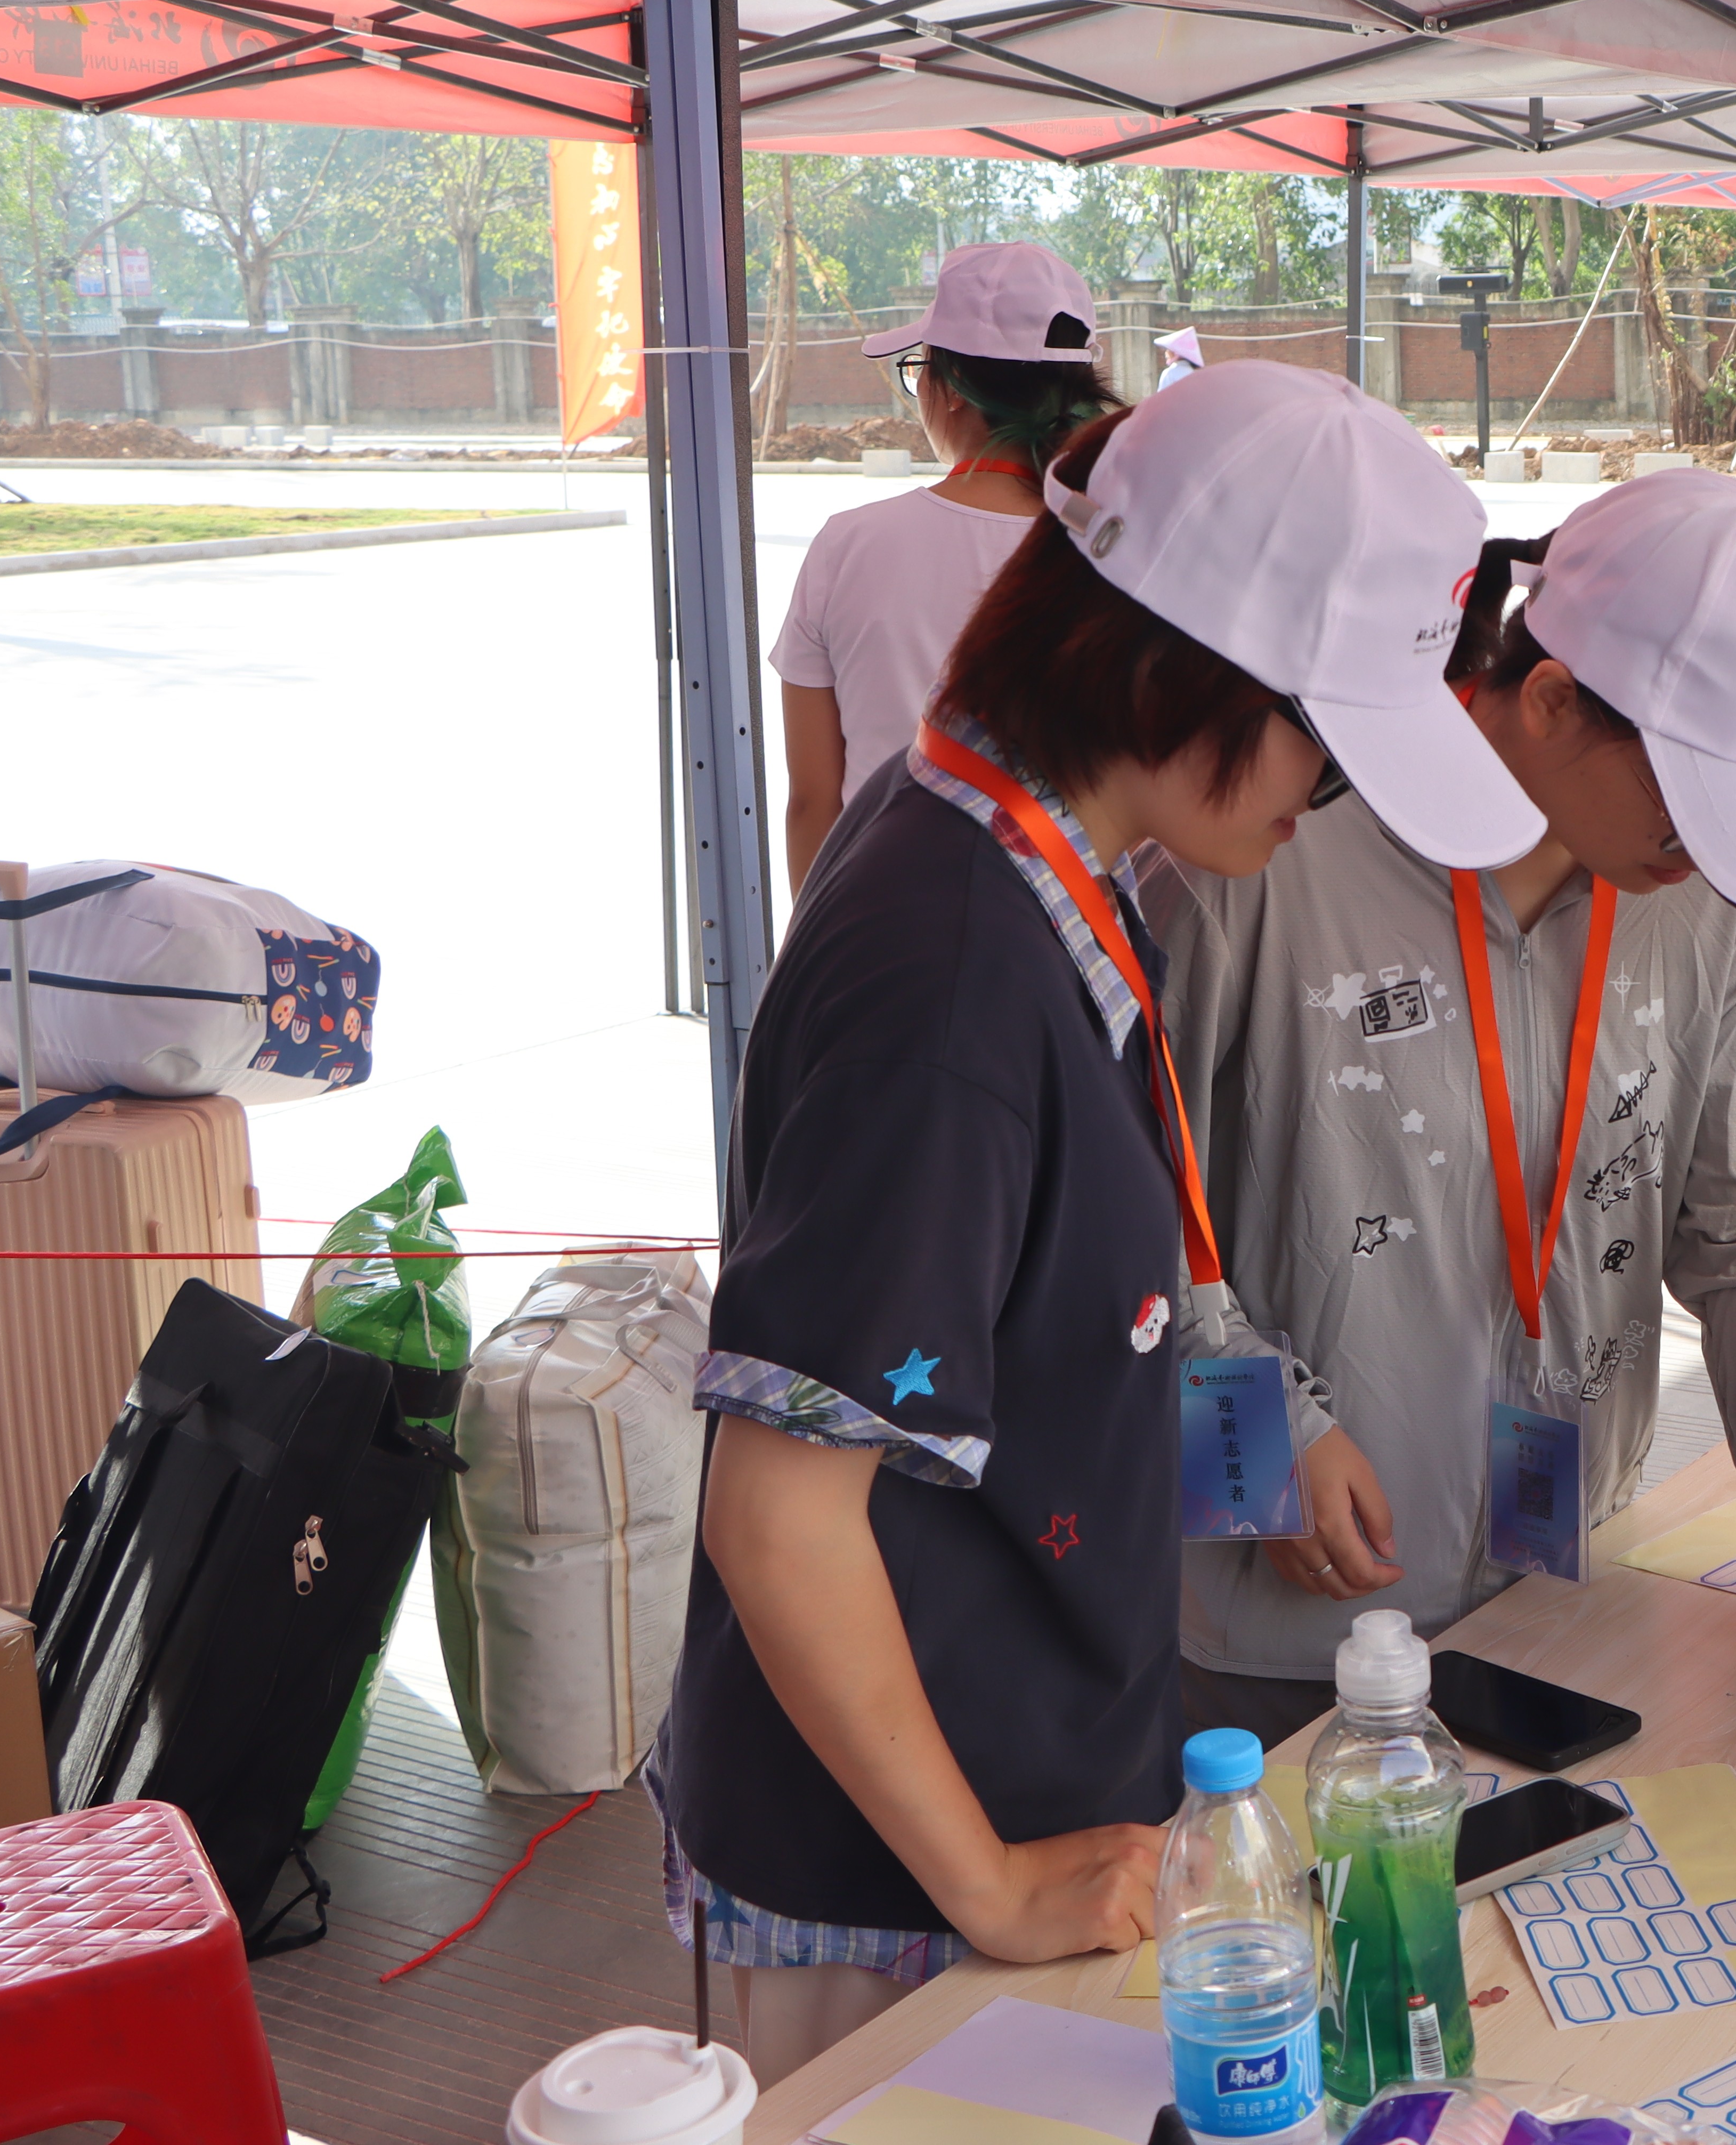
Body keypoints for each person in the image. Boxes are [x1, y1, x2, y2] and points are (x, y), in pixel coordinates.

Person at [653, 364, 1543, 2086]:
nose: (1322, 806)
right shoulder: (953, 983)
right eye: (1326, 752)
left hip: (1027, 1792)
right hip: (905, 1878)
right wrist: (986, 1882)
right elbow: (779, 1515)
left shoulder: (1026, 861)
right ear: (1168, 670)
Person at [1155, 467, 1736, 1742]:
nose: (1707, 846)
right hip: (1288, 1622)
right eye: (1688, 796)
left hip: (1567, 1584)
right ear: (1548, 698)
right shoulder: (1267, 850)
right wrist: (1263, 1439)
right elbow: (1128, 1217)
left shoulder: (1711, 899)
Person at [773, 241, 1118, 881]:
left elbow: (813, 803)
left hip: (883, 909)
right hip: (1065, 915)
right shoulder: (1112, 550)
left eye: (919, 368)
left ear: (952, 385)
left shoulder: (847, 546)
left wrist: (821, 937)